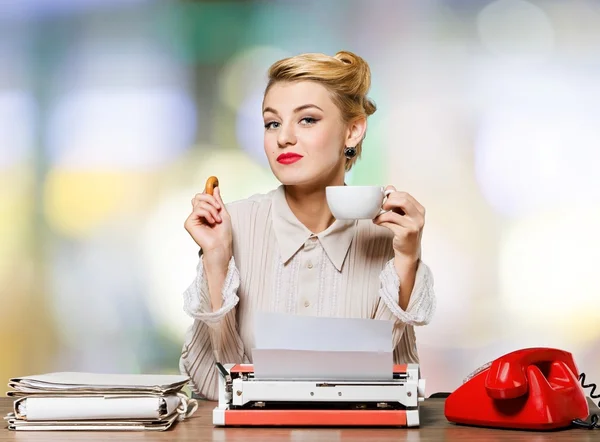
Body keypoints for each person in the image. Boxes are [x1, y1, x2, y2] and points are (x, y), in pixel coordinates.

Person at [179, 50, 436, 400]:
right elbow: (213, 388)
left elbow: (390, 391)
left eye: (307, 120)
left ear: (353, 130)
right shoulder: (231, 224)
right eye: (272, 123)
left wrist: (407, 260)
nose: (283, 137)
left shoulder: (388, 233)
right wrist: (216, 260)